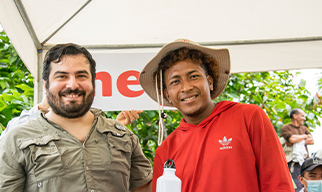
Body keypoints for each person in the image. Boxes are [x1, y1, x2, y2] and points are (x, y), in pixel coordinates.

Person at [139, 39, 293, 192]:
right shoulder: (165, 150)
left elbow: (278, 183)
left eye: (193, 76)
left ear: (210, 82)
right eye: (175, 81)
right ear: (167, 95)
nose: (186, 87)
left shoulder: (248, 117)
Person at [0, 43, 152, 192]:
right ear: (45, 86)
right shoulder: (16, 139)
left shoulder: (124, 137)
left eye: (81, 76)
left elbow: (145, 188)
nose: (72, 85)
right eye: (62, 76)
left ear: (93, 83)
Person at [1, 96, 142, 138]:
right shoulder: (32, 120)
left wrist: (116, 125)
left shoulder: (92, 120)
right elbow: (8, 138)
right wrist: (42, 107)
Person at [281, 108, 314, 192]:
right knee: (296, 186)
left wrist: (297, 139)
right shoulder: (286, 127)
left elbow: (311, 141)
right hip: (292, 163)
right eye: (302, 116)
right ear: (295, 116)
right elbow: (291, 139)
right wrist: (305, 137)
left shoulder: (304, 128)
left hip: (304, 161)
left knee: (306, 184)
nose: (304, 118)